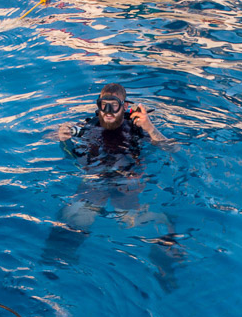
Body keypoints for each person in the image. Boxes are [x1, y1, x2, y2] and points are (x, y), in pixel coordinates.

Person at [43, 83, 180, 286]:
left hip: (127, 180)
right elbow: (48, 137)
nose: (107, 112)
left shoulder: (136, 127)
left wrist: (150, 128)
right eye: (103, 105)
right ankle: (51, 274)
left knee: (133, 222)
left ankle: (167, 271)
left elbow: (174, 148)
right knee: (73, 219)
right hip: (95, 179)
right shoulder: (89, 125)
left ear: (124, 107)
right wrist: (62, 137)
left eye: (113, 106)